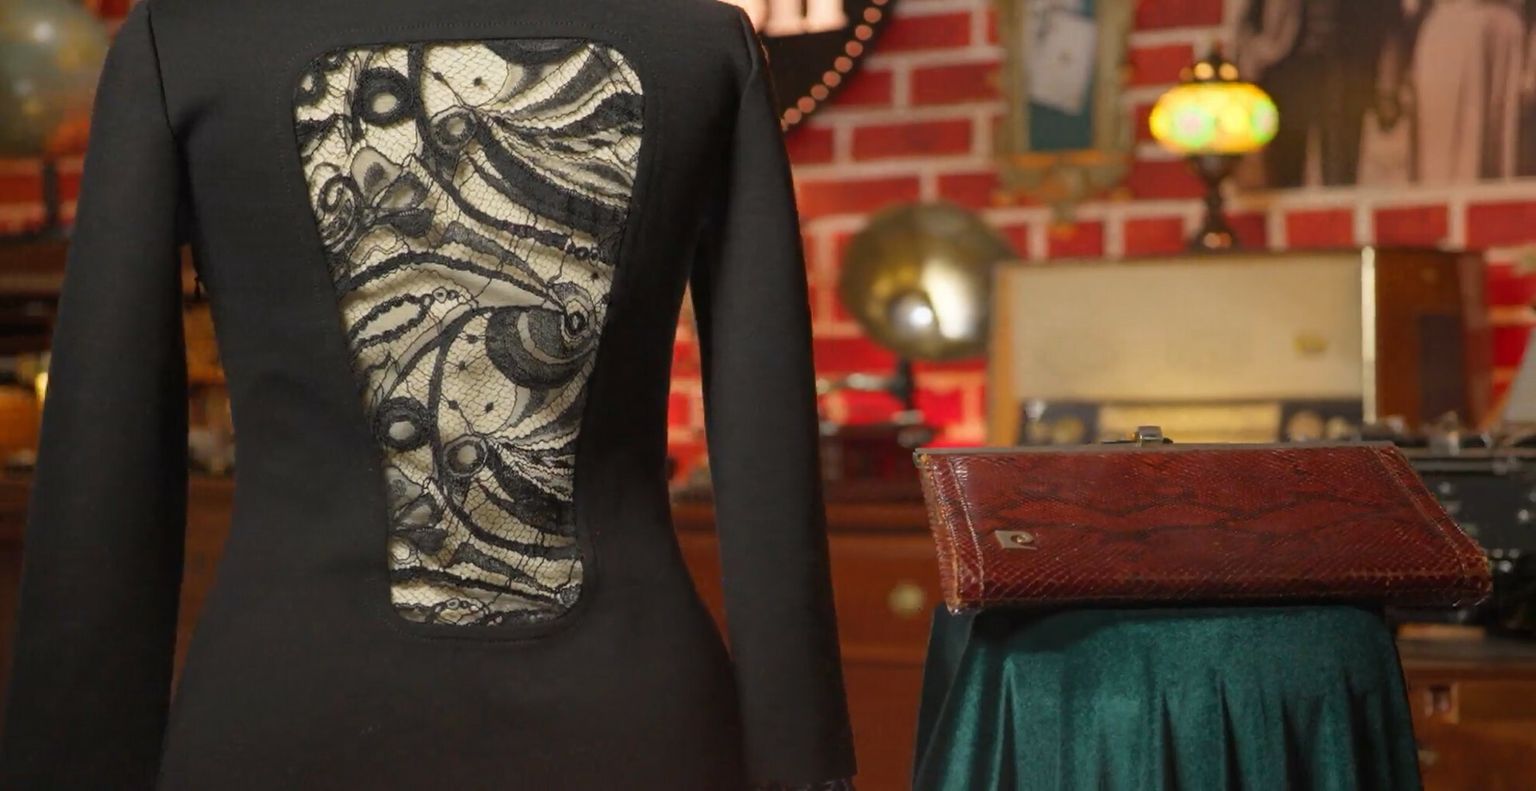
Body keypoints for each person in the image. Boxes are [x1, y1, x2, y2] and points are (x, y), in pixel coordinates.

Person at [0, 0, 856, 788]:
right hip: (630, 710)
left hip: (288, 700)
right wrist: (800, 755)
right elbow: (769, 443)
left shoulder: (185, 45)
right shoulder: (696, 46)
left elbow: (104, 456)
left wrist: (71, 759)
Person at [1237, 0, 1407, 187]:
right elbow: (1249, 25)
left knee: (1340, 170)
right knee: (1286, 168)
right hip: (1288, 75)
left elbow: (1391, 25)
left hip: (1346, 76)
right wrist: (1257, 58)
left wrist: (1387, 87)